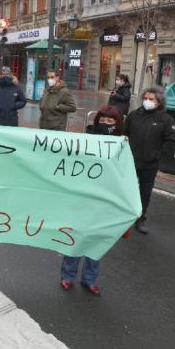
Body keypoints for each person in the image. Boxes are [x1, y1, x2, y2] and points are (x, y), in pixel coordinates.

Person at [60, 105, 126, 296]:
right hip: (83, 197)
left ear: (117, 123)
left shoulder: (122, 145)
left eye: (110, 121)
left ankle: (90, 279)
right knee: (75, 237)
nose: (105, 124)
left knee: (96, 241)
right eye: (102, 121)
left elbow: (126, 175)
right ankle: (68, 276)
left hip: (105, 201)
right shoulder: (85, 140)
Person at [124, 87, 175, 235]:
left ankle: (140, 219)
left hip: (149, 164)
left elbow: (170, 141)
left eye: (151, 99)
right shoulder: (134, 115)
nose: (147, 101)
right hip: (130, 161)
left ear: (159, 102)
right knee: (127, 190)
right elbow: (124, 133)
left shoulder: (166, 119)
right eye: (145, 98)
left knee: (144, 192)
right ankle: (124, 216)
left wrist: (156, 154)